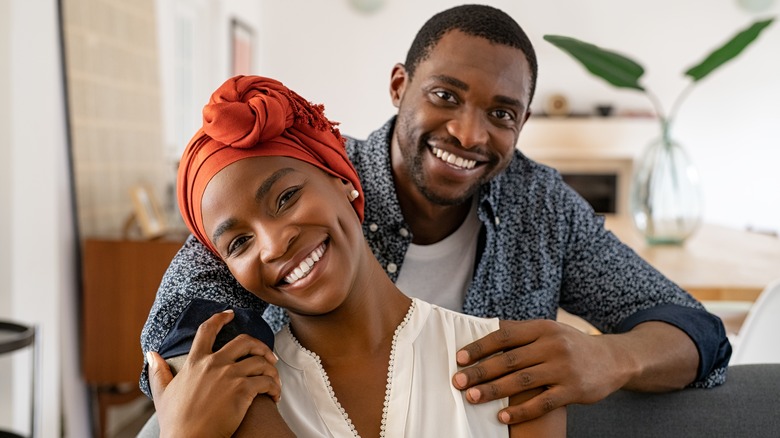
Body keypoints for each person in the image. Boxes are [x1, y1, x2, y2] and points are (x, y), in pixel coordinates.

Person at [141, 4, 730, 425]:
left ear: (522, 124)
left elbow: (698, 332)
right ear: (400, 86)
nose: (469, 133)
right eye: (445, 96)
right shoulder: (310, 186)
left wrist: (614, 356)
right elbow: (178, 330)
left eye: (502, 114)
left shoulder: (542, 207)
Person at [146, 74, 567, 437]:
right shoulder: (230, 397)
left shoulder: (512, 370)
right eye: (239, 243)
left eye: (286, 197)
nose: (273, 245)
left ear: (343, 180)